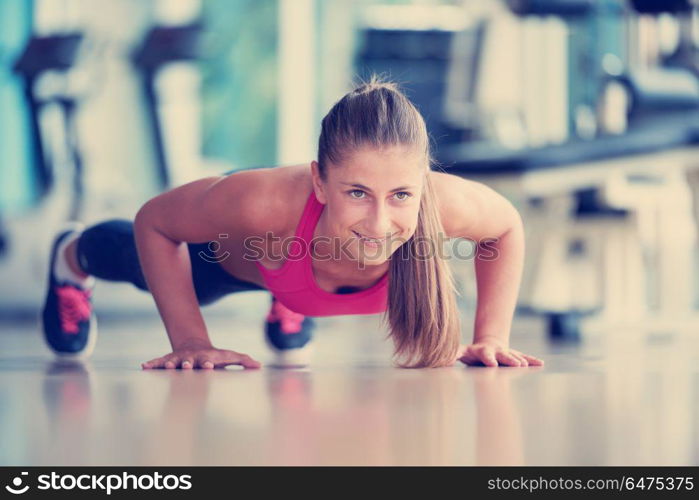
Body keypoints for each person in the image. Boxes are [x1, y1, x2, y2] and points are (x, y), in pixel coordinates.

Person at [41, 78, 544, 370]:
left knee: (324, 259)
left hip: (299, 262)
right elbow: (154, 221)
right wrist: (191, 339)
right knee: (144, 264)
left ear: (422, 185)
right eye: (356, 192)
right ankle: (71, 254)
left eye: (401, 195)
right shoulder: (260, 204)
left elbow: (506, 228)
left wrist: (491, 336)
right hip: (243, 257)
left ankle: (291, 303)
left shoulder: (444, 206)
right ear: (320, 183)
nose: (379, 221)